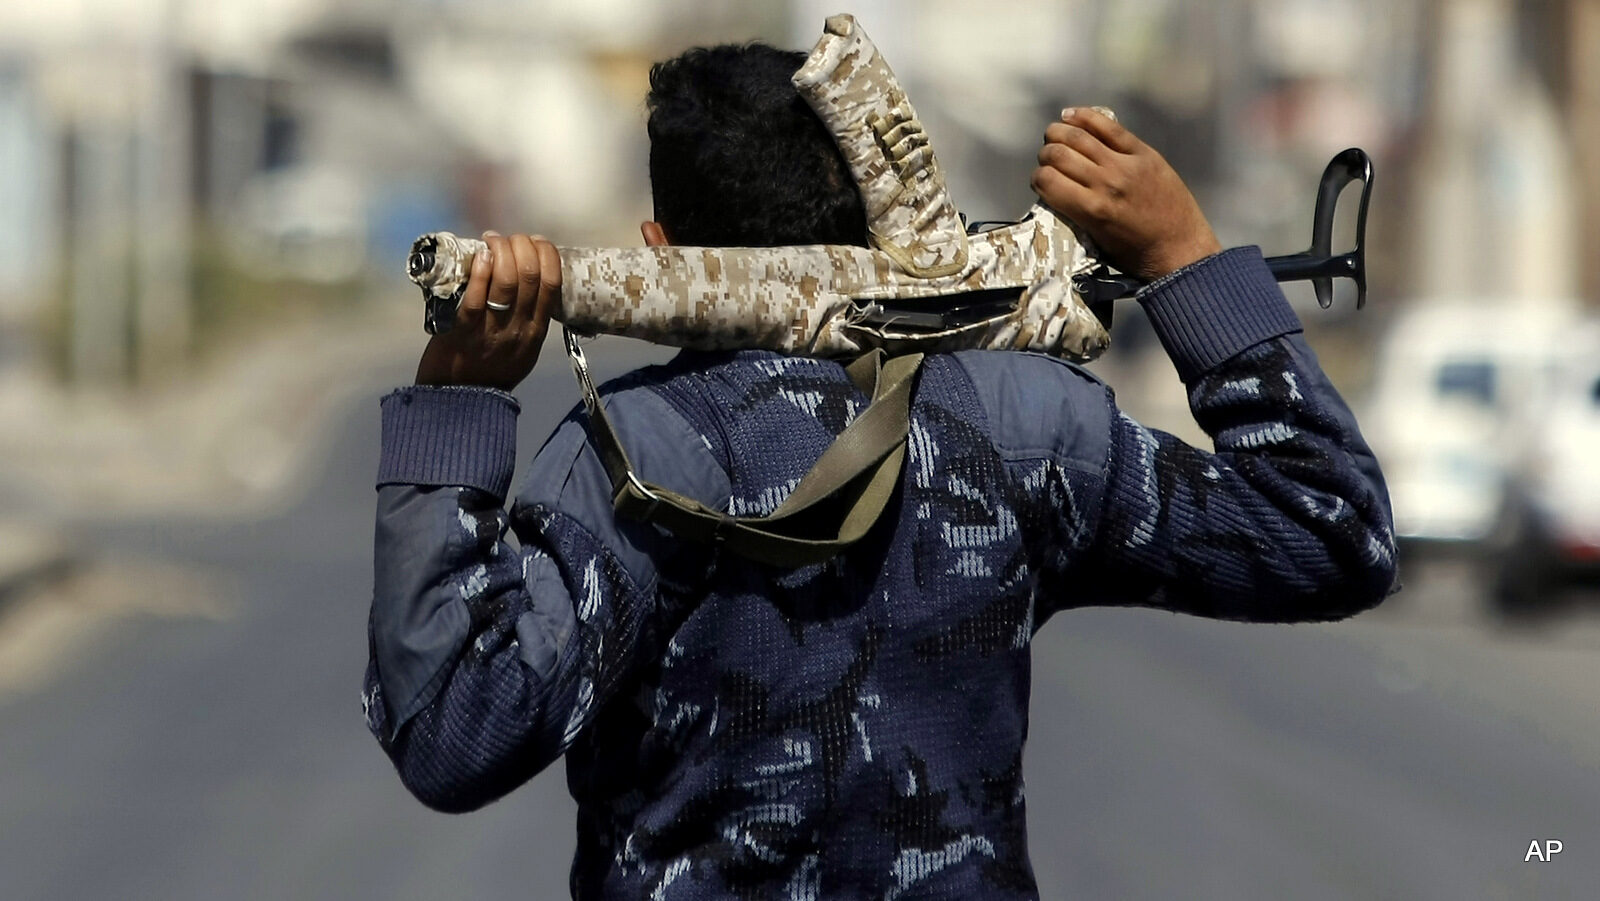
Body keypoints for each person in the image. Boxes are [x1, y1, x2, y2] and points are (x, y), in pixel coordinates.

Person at [364, 42, 1396, 900]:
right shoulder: (1024, 424)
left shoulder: (635, 452)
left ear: (663, 252)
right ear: (881, 230)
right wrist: (1186, 258)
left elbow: (455, 736)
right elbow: (1329, 534)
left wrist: (454, 412)